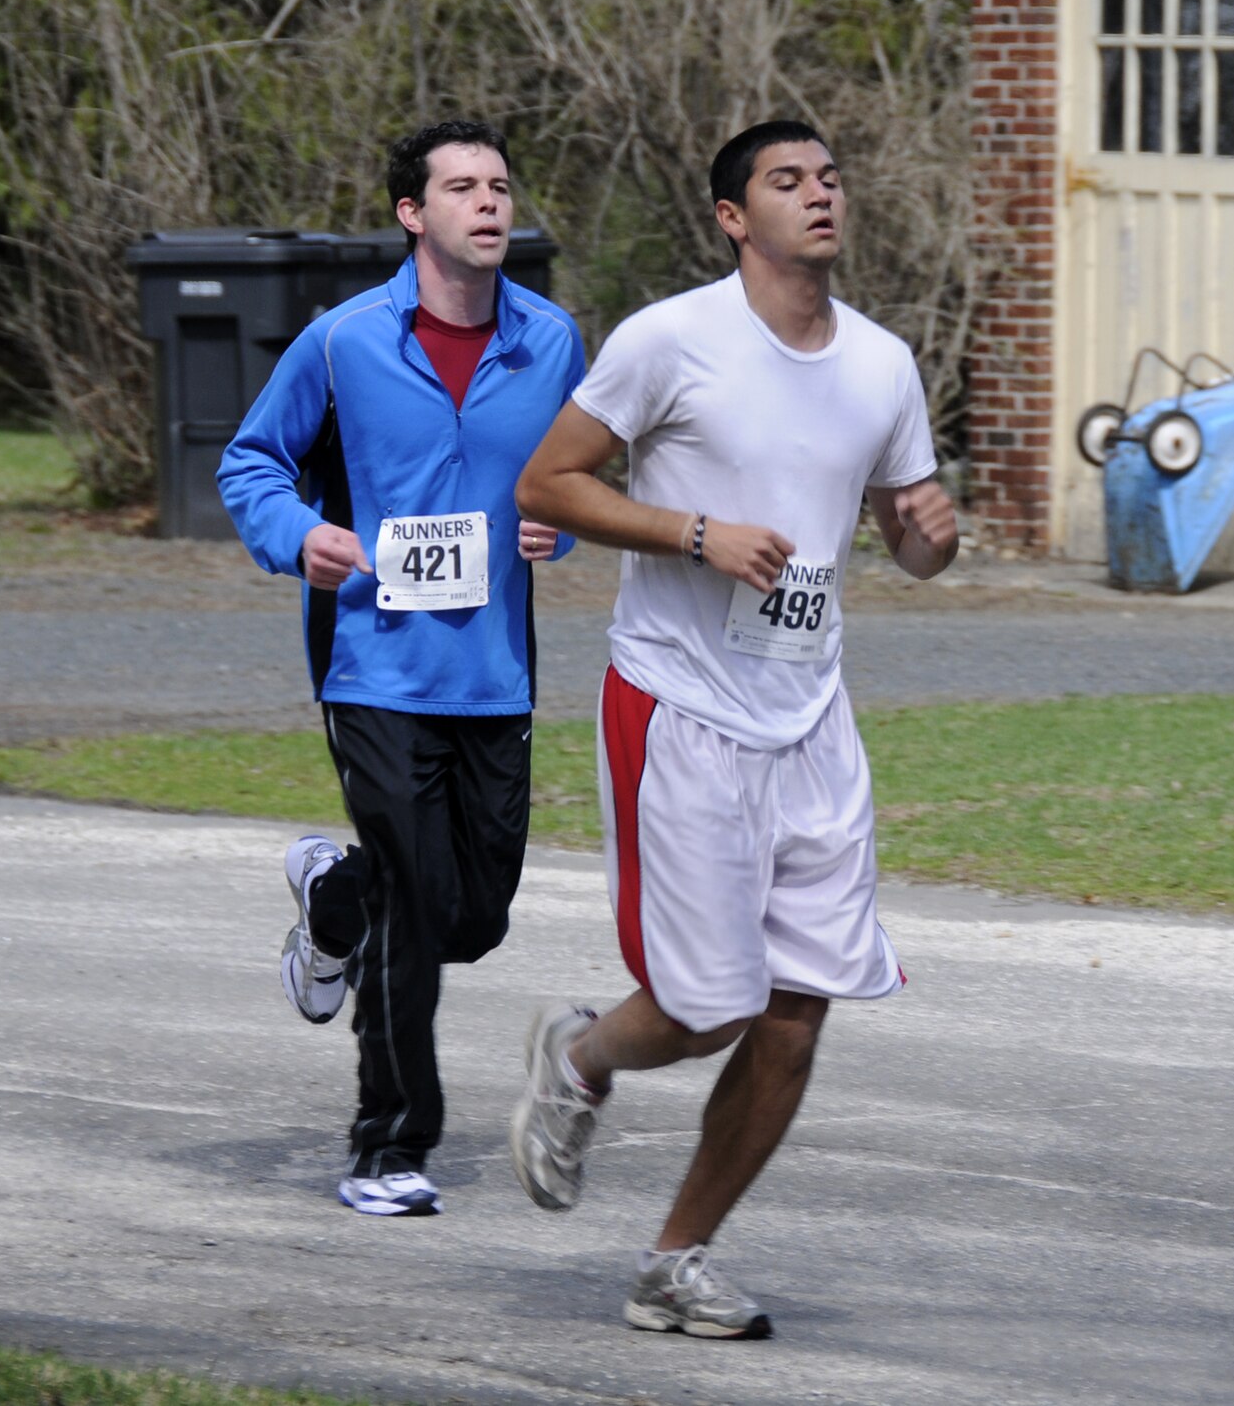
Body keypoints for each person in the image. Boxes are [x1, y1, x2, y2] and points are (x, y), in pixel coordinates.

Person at [509, 119, 959, 1337]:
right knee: (704, 1006)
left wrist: (928, 534)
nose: (819, 195)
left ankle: (676, 1261)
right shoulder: (672, 341)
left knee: (797, 1014)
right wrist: (695, 534)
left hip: (811, 714)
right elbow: (547, 485)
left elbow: (906, 540)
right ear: (730, 216)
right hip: (680, 703)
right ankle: (584, 1056)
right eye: (785, 180)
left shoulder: (880, 363)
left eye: (827, 178)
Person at [218, 120, 584, 1217]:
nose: (488, 202)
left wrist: (552, 535)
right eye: (461, 186)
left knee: (471, 918)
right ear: (411, 214)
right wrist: (299, 538)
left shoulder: (554, 341)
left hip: (494, 670)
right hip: (372, 661)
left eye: (501, 186)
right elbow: (251, 462)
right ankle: (386, 1148)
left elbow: (569, 481)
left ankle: (333, 898)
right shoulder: (340, 342)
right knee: (419, 910)